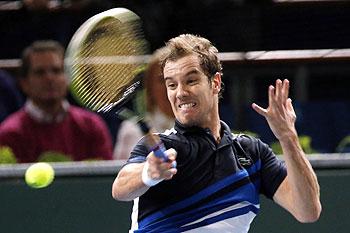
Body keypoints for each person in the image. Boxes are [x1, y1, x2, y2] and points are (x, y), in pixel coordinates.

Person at [112, 34, 321, 232]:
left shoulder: (252, 154)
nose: (181, 93)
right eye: (172, 85)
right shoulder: (163, 146)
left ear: (216, 82)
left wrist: (288, 137)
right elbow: (121, 188)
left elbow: (308, 211)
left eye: (191, 81)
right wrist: (149, 173)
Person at [0, 40, 113, 163]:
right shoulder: (10, 134)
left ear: (67, 78)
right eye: (40, 72)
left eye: (56, 70)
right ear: (24, 83)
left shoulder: (91, 126)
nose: (49, 78)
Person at [114, 48, 175, 160]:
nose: (169, 86)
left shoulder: (199, 126)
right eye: (161, 80)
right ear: (150, 86)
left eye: (175, 79)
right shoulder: (132, 130)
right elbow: (124, 175)